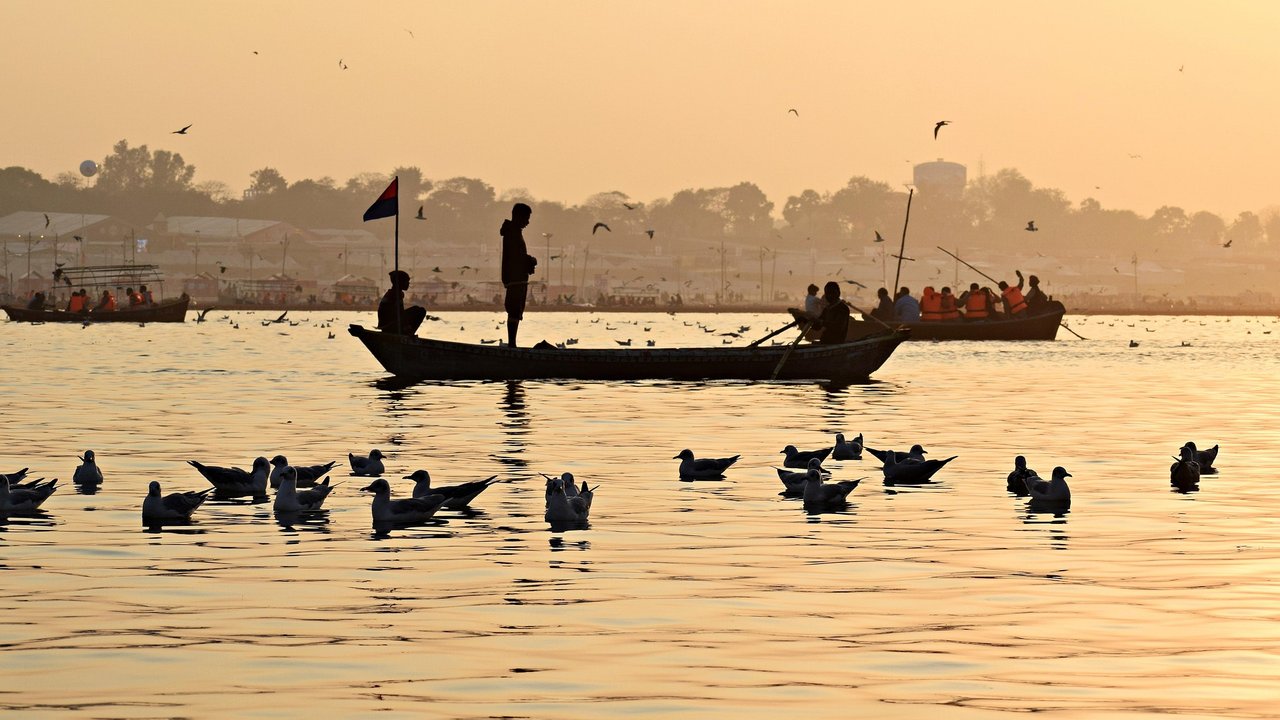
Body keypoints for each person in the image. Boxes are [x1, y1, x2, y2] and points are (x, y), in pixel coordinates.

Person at [500, 202, 537, 347]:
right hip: (515, 279)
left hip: (517, 279)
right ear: (518, 216)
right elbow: (517, 257)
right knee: (514, 312)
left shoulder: (514, 232)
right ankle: (512, 344)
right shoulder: (512, 233)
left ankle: (512, 344)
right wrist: (531, 260)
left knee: (515, 312)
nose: (528, 222)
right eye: (526, 218)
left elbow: (518, 256)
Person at [377, 270, 427, 335]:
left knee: (417, 309)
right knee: (421, 311)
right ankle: (408, 334)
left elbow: (400, 313)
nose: (408, 284)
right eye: (406, 282)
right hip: (389, 326)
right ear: (400, 282)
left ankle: (406, 332)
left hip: (388, 325)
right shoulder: (395, 294)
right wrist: (406, 327)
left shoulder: (395, 292)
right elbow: (399, 313)